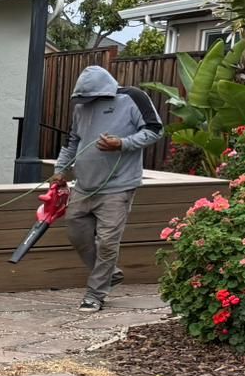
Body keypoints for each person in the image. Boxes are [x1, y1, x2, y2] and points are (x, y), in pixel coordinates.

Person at [51, 65, 164, 312]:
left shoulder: (132, 97)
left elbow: (155, 129)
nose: (86, 102)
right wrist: (60, 170)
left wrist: (122, 144)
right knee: (76, 232)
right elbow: (73, 141)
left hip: (119, 185)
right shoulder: (81, 106)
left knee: (107, 242)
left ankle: (95, 293)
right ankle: (109, 274)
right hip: (84, 184)